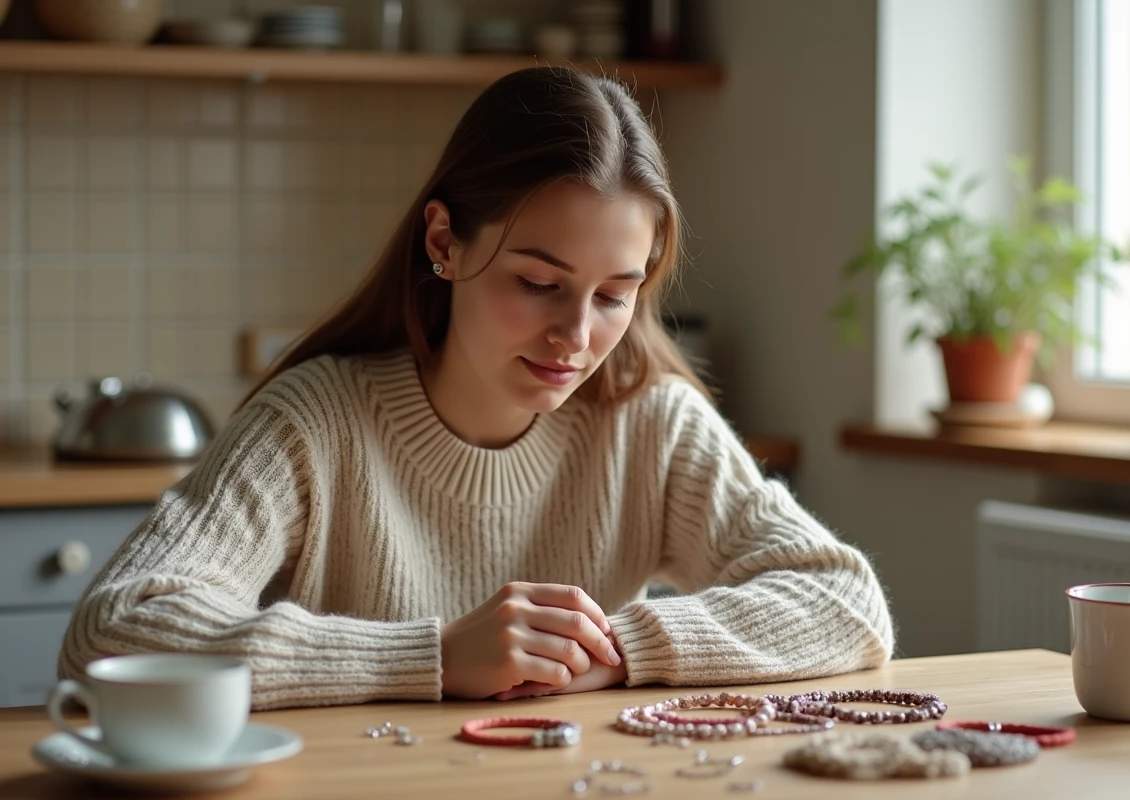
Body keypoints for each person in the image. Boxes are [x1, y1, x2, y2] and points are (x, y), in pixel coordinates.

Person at [59, 67, 894, 710]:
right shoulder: (314, 423)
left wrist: (612, 647)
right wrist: (433, 658)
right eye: (538, 282)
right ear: (445, 241)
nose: (576, 337)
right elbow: (111, 633)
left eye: (614, 296)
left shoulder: (653, 423)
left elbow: (847, 604)